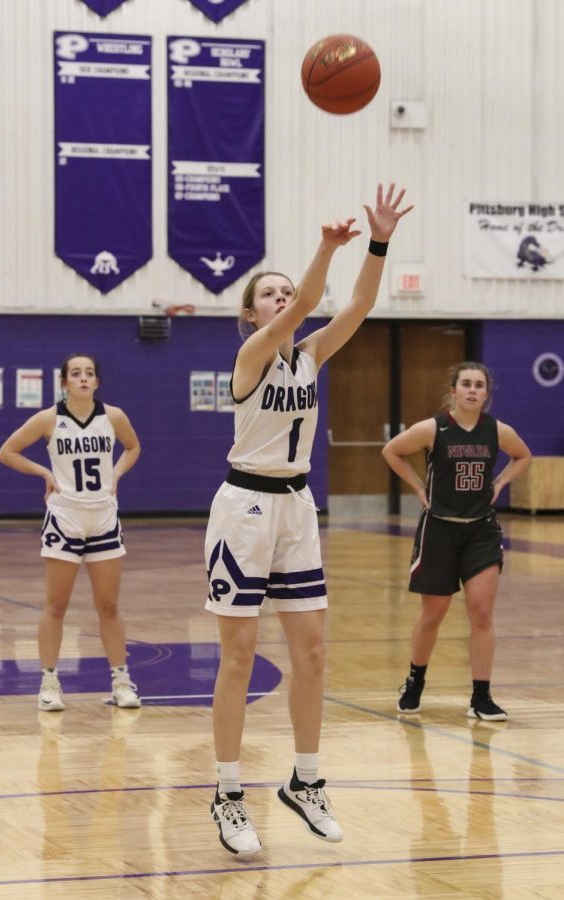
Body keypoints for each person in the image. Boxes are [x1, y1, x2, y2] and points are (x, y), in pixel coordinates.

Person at [204, 183, 413, 856]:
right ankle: (228, 793)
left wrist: (377, 242)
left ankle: (306, 781)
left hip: (296, 508)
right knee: (237, 657)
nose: (281, 299)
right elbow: (302, 312)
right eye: (271, 294)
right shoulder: (250, 358)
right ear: (250, 314)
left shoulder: (311, 357)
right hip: (243, 509)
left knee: (313, 654)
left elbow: (358, 304)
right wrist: (324, 248)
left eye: (285, 291)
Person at [382, 362, 531, 721]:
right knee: (433, 614)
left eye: (479, 385)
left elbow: (523, 456)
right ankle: (415, 681)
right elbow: (391, 451)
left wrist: (499, 484)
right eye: (466, 384)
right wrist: (419, 487)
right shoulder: (434, 428)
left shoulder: (497, 431)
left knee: (481, 612)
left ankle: (481, 696)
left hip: (481, 530)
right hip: (439, 530)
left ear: (486, 394)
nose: (472, 390)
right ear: (453, 391)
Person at [0, 354, 142, 712]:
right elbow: (7, 452)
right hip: (65, 518)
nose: (83, 379)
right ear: (64, 382)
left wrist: (117, 474)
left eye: (89, 373)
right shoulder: (49, 418)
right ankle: (48, 682)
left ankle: (121, 681)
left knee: (108, 606)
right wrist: (44, 474)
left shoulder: (114, 416)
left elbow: (133, 447)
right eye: (75, 374)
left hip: (104, 518)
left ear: (96, 382)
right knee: (56, 605)